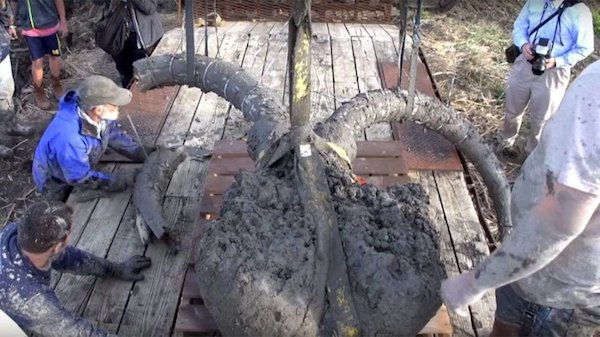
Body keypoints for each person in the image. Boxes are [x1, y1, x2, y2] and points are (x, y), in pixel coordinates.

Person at [442, 59, 600, 337]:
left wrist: (474, 284)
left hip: (553, 286)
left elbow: (562, 217)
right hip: (539, 267)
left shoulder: (595, 91)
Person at [0, 201, 151, 337]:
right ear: (57, 246)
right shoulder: (32, 301)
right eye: (69, 233)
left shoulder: (20, 234)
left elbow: (71, 259)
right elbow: (76, 332)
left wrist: (116, 269)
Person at [499, 0, 593, 162]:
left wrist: (558, 61)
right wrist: (523, 45)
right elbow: (520, 26)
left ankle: (531, 158)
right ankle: (504, 145)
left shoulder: (580, 11)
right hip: (524, 65)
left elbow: (585, 47)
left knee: (542, 121)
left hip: (554, 73)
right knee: (512, 110)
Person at [32, 75, 151, 201]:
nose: (118, 108)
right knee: (65, 208)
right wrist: (117, 181)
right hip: (56, 181)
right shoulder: (70, 138)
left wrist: (138, 151)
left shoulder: (89, 108)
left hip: (76, 162)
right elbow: (78, 177)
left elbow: (111, 133)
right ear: (98, 110)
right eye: (115, 106)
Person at [11, 0, 68, 109]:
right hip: (30, 28)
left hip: (50, 24)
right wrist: (12, 24)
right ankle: (39, 92)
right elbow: (14, 2)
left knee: (55, 56)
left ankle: (56, 84)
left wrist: (63, 21)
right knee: (37, 61)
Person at [93, 0, 164, 88]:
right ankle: (129, 96)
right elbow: (97, 2)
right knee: (126, 75)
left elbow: (150, 8)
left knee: (143, 75)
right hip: (117, 34)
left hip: (142, 37)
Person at [0, 0, 33, 158]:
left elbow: (5, 16)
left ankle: (10, 125)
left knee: (6, 91)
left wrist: (3, 7)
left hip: (1, 50)